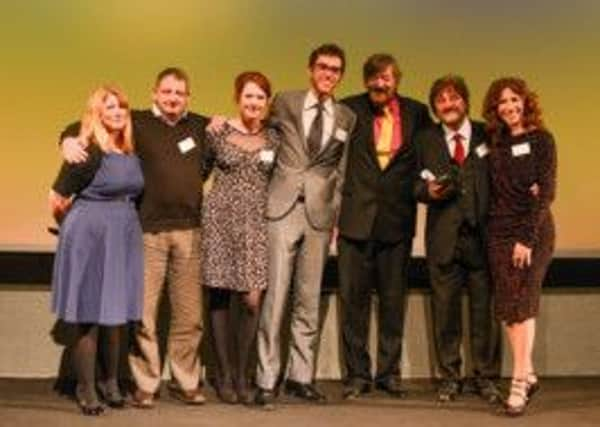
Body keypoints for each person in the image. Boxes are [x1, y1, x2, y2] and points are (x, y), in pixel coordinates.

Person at [60, 68, 209, 407]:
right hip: (147, 231)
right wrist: (67, 139)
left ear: (188, 97)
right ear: (155, 93)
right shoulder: (136, 122)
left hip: (189, 229)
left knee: (189, 316)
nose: (173, 98)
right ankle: (146, 383)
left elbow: (211, 155)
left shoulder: (199, 126)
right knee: (144, 315)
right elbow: (88, 124)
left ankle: (187, 381)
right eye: (167, 92)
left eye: (180, 93)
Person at [254, 43, 356, 409]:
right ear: (311, 69)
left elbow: (341, 173)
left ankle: (301, 375)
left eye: (335, 69)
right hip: (282, 208)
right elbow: (256, 128)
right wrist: (221, 123)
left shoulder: (346, 117)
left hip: (320, 214)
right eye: (323, 67)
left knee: (308, 299)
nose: (329, 74)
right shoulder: (285, 101)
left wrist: (336, 216)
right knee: (276, 296)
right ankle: (266, 378)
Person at [337, 53, 431, 399]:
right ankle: (357, 375)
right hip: (353, 221)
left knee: (393, 303)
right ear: (366, 81)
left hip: (397, 221)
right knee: (353, 303)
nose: (380, 83)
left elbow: (427, 159)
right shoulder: (347, 109)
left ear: (397, 81)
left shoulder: (418, 112)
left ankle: (389, 374)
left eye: (387, 78)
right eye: (374, 78)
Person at [50, 85, 144, 415]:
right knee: (89, 313)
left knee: (115, 313)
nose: (118, 112)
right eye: (110, 107)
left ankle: (111, 382)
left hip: (123, 234)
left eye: (122, 106)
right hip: (89, 234)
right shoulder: (85, 149)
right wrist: (77, 228)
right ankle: (86, 386)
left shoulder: (131, 146)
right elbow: (56, 198)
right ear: (97, 112)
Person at [414, 75, 501, 403]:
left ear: (465, 101)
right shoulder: (425, 139)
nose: (448, 105)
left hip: (482, 237)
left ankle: (486, 377)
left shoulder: (487, 134)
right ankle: (449, 376)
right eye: (441, 101)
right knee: (445, 311)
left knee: (484, 312)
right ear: (435, 108)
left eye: (454, 98)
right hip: (443, 238)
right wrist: (427, 191)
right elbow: (412, 184)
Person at [202, 71, 279, 404]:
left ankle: (243, 373)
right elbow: (200, 171)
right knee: (219, 295)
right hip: (220, 219)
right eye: (248, 96)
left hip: (256, 224)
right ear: (238, 98)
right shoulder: (217, 132)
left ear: (267, 102)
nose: (254, 103)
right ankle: (223, 374)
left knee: (251, 301)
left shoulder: (274, 137)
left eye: (260, 97)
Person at [482, 77, 557, 416]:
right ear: (495, 109)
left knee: (523, 302)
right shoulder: (492, 143)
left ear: (526, 102)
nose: (509, 107)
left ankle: (517, 381)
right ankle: (527, 373)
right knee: (509, 306)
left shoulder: (542, 140)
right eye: (502, 102)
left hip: (533, 230)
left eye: (515, 100)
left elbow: (547, 191)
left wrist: (527, 237)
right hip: (498, 230)